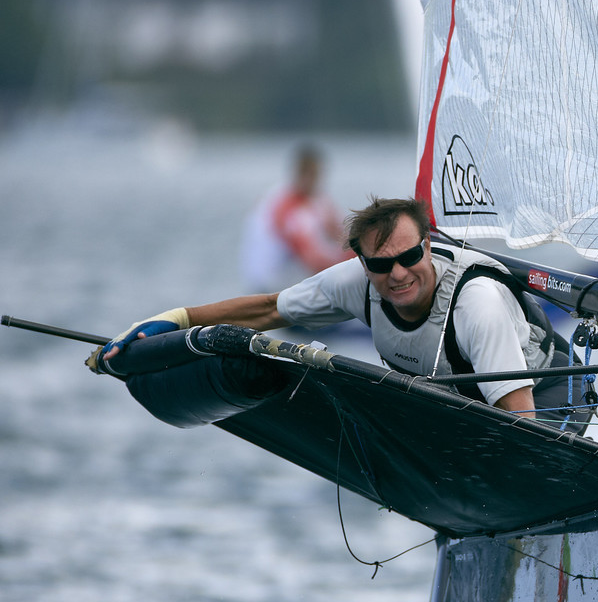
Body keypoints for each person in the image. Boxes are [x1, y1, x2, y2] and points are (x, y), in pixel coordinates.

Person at [90, 197, 550, 415]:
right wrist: (177, 319)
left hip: (543, 400)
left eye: (410, 257)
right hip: (461, 406)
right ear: (361, 262)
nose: (397, 274)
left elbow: (523, 421)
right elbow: (267, 310)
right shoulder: (353, 282)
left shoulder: (478, 306)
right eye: (380, 264)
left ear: (428, 247)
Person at [239, 144, 346, 293]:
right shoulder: (285, 205)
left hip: (287, 281)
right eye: (312, 175)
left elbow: (341, 234)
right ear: (300, 173)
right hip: (268, 287)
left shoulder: (316, 200)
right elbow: (311, 258)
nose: (315, 181)